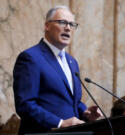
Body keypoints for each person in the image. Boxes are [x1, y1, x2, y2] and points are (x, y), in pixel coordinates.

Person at [13, 5, 102, 135]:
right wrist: (60, 123)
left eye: (72, 24)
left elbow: (72, 101)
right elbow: (25, 104)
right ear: (47, 26)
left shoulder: (72, 62)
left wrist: (85, 112)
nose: (68, 28)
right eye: (62, 22)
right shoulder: (31, 58)